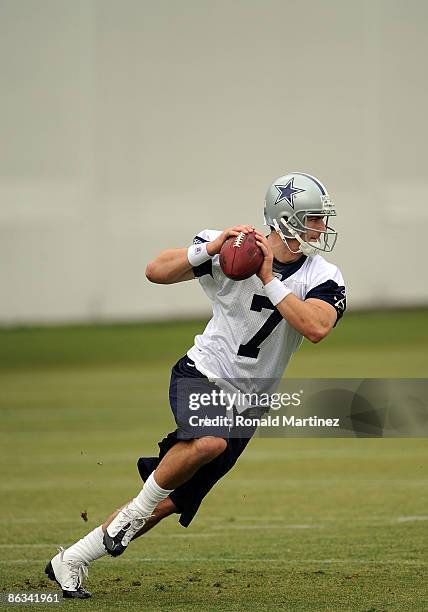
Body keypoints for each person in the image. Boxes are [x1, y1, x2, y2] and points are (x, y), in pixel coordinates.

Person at [45, 172, 346, 598]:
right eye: (315, 218)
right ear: (287, 218)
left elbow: (315, 327)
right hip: (203, 372)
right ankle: (133, 512)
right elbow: (155, 271)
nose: (323, 227)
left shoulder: (323, 275)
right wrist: (209, 248)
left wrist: (268, 278)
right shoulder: (232, 250)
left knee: (173, 500)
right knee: (208, 443)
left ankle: (70, 559)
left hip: (248, 406)